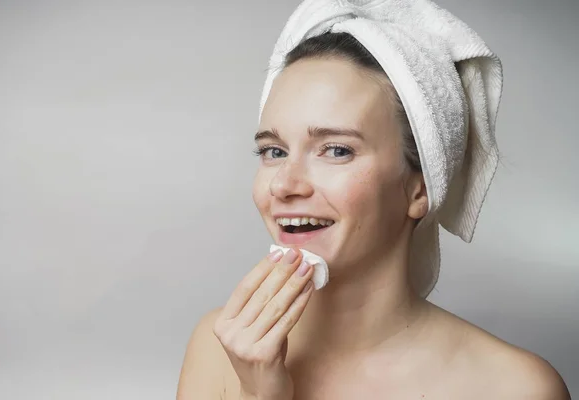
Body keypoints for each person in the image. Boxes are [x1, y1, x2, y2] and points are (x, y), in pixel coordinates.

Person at [177, 3, 571, 400]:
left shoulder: (516, 388)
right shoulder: (220, 350)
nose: (284, 185)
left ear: (419, 188)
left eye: (335, 150)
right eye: (274, 151)